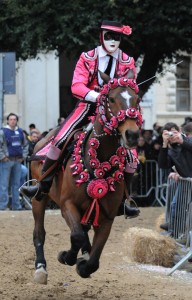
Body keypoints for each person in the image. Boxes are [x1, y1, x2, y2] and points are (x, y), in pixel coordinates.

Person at [20, 20, 139, 217]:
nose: (113, 41)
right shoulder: (87, 58)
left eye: (116, 37)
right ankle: (42, 185)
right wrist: (98, 96)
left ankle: (126, 199)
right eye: (108, 36)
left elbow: (130, 85)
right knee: (59, 139)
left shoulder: (127, 61)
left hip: (115, 111)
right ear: (101, 37)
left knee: (132, 155)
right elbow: (77, 86)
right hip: (88, 106)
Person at [158, 122, 192, 236]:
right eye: (169, 134)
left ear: (180, 131)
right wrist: (164, 144)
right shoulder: (171, 150)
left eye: (174, 132)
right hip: (186, 182)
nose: (172, 136)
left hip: (188, 181)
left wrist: (182, 141)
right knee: (176, 205)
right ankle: (177, 232)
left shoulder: (187, 141)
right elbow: (163, 164)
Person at [0, 113, 29, 210]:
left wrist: (23, 157)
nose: (13, 121)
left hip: (17, 161)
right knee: (4, 185)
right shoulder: (2, 132)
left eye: (14, 119)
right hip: (6, 161)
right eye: (11, 119)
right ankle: (3, 206)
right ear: (7, 121)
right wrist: (3, 157)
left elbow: (25, 145)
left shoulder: (20, 132)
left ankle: (16, 206)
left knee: (16, 184)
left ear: (17, 121)